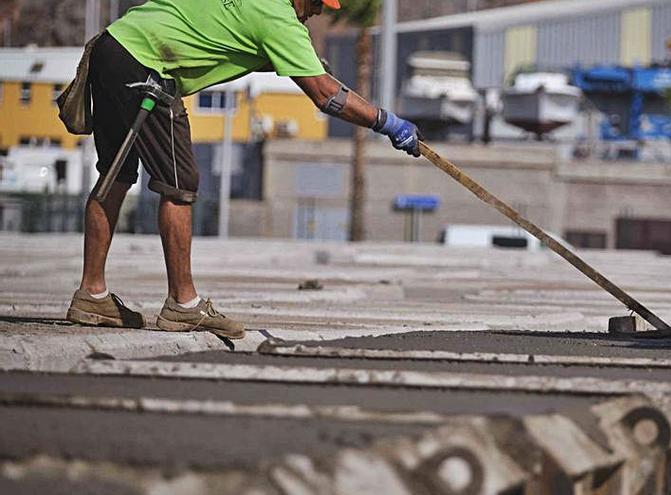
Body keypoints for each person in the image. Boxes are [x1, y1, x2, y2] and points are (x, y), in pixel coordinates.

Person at [65, 0, 421, 340]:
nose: (314, 13)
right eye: (315, 5)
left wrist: (295, 60)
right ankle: (183, 304)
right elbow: (326, 95)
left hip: (113, 47)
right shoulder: (280, 19)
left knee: (116, 175)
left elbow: (232, 36)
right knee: (179, 184)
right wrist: (385, 122)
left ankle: (92, 295)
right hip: (147, 67)